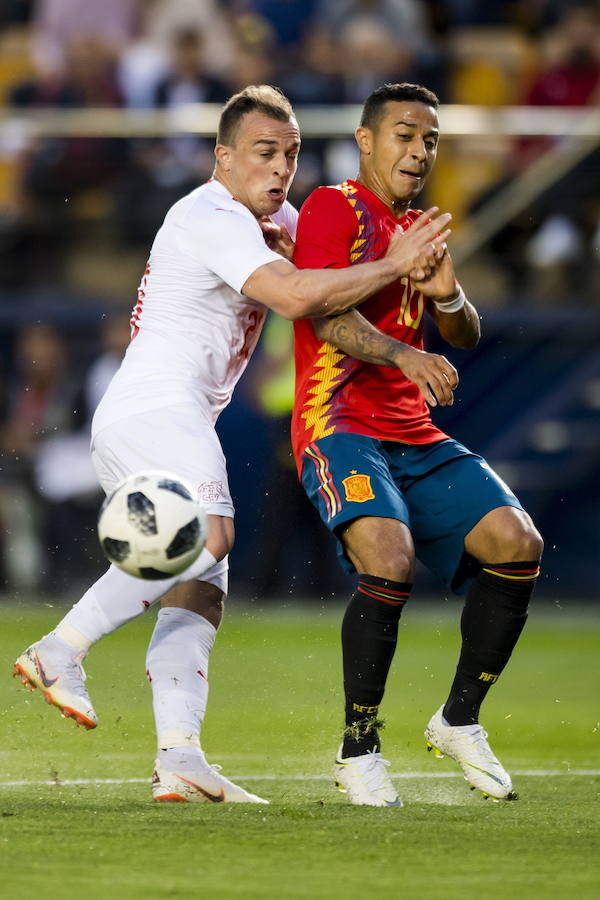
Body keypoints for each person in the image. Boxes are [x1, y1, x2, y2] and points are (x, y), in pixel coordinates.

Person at [13, 84, 452, 804]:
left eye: (291, 154)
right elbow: (299, 298)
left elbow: (307, 273)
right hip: (158, 406)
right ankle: (60, 649)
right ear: (223, 157)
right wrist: (396, 262)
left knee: (201, 589)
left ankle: (179, 756)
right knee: (210, 534)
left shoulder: (267, 221)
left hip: (154, 415)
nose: (280, 169)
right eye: (262, 153)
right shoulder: (211, 213)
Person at [291, 82, 544, 806]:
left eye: (430, 138)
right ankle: (359, 746)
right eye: (405, 134)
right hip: (337, 422)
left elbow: (464, 331)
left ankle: (458, 719)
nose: (419, 150)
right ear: (367, 141)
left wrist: (448, 294)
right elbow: (324, 314)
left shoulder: (421, 228)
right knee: (389, 559)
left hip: (413, 430)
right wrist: (405, 355)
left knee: (516, 541)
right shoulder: (333, 207)